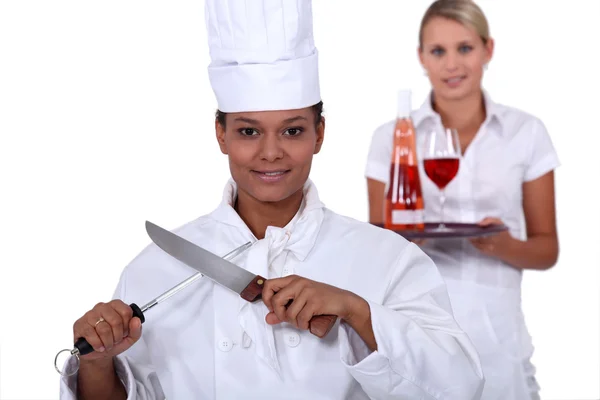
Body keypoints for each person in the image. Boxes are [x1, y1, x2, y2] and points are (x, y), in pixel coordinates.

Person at [59, 0, 485, 398]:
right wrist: (97, 364)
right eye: (248, 131)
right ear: (220, 134)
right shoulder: (154, 268)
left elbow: (462, 387)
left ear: (320, 133)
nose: (270, 152)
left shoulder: (387, 259)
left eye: (293, 130)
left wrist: (357, 312)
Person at [365, 1, 560, 399]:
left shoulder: (526, 133)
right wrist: (407, 239)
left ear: (488, 50)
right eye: (438, 51)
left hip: (498, 340)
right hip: (414, 338)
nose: (452, 64)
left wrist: (502, 244)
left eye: (465, 48)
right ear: (422, 58)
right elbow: (374, 249)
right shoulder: (390, 138)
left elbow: (547, 249)